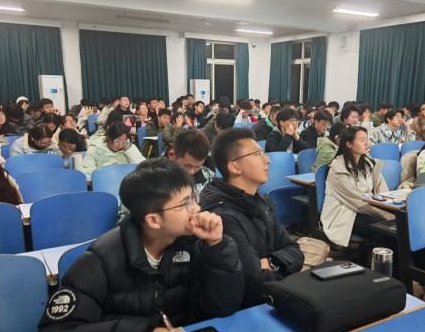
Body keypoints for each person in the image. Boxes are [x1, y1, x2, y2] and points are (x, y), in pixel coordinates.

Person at [37, 158, 244, 332]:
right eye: (185, 204)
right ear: (153, 220)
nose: (196, 208)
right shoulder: (101, 260)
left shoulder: (193, 243)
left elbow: (221, 307)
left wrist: (218, 246)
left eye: (193, 198)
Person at [199, 129, 304, 307]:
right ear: (234, 167)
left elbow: (295, 250)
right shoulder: (221, 215)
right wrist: (283, 265)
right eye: (257, 154)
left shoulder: (260, 201)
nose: (267, 160)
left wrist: (271, 262)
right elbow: (253, 281)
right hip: (248, 308)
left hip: (271, 296)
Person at [320, 126, 395, 248]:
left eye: (367, 139)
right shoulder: (337, 170)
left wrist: (392, 209)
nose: (367, 143)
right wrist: (387, 215)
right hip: (346, 213)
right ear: (349, 144)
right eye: (362, 140)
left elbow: (383, 191)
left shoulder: (369, 164)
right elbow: (358, 201)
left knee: (399, 226)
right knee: (388, 231)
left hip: (367, 208)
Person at [168, 130, 215, 196]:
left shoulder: (210, 178)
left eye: (198, 166)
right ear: (172, 155)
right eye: (187, 166)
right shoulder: (158, 182)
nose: (192, 172)